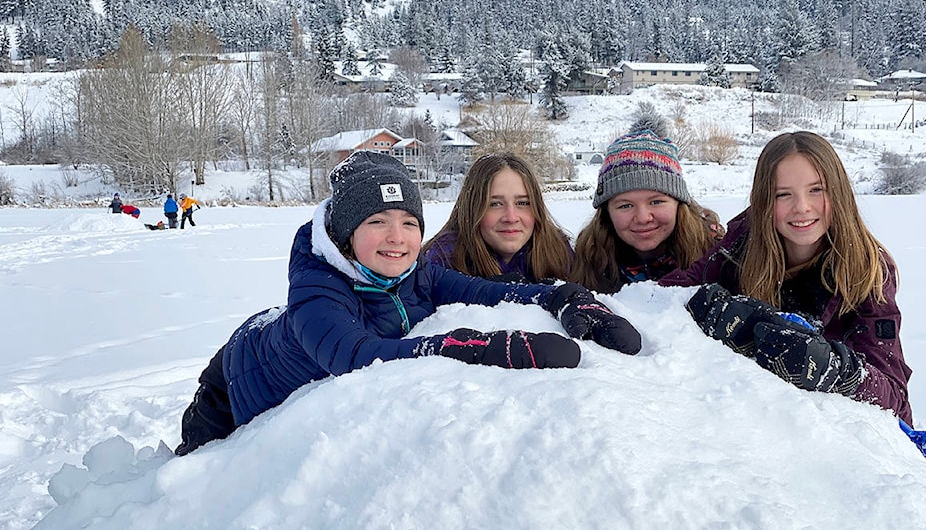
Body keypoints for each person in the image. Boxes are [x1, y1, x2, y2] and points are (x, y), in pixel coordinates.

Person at [175, 151, 643, 455]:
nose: (396, 238)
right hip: (235, 383)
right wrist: (479, 348)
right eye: (377, 221)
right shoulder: (318, 291)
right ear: (345, 234)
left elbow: (482, 289)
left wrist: (559, 296)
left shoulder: (416, 273)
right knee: (188, 479)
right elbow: (353, 356)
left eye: (408, 222)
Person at [659, 131, 912, 425]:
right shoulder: (742, 243)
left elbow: (896, 401)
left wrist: (837, 370)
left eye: (816, 190)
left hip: (830, 436)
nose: (802, 207)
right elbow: (668, 295)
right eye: (783, 194)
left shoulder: (868, 270)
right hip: (744, 423)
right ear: (765, 200)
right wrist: (711, 307)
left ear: (839, 193)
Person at [570, 115, 724, 293]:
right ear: (607, 212)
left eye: (656, 201)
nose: (643, 218)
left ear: (679, 203)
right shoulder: (587, 258)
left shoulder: (715, 252)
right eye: (625, 205)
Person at [422, 152, 574, 283]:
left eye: (522, 203)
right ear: (472, 209)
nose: (511, 217)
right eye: (495, 204)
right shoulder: (442, 262)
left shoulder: (559, 254)